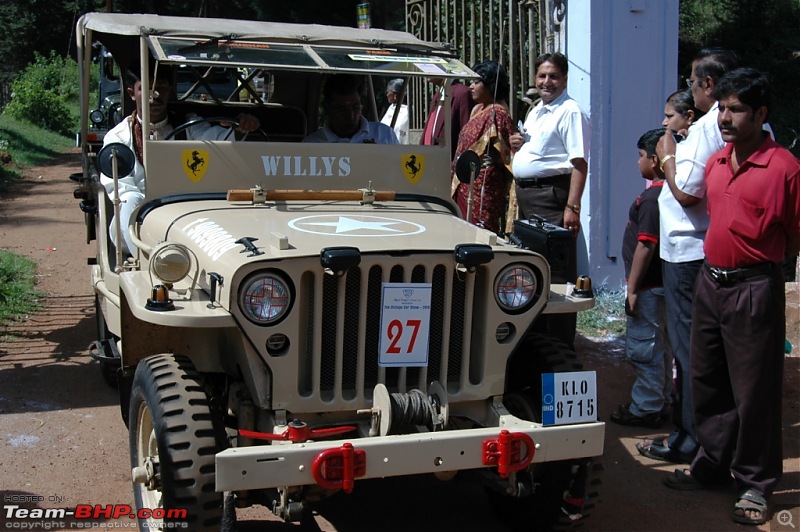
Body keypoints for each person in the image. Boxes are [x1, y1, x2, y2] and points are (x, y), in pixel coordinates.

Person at [661, 67, 800, 527]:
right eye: (721, 107)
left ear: (761, 113)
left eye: (736, 109)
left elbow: (795, 236)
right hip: (710, 283)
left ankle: (756, 483)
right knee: (706, 379)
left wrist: (767, 272)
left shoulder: (784, 168)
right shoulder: (718, 161)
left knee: (754, 391)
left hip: (754, 288)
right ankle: (713, 463)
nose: (724, 116)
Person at [636, 48, 740, 465]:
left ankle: (691, 439)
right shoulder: (725, 125)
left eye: (694, 82)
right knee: (695, 349)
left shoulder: (712, 125)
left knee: (689, 351)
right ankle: (697, 435)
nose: (690, 89)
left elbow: (687, 191)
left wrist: (666, 155)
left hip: (689, 252)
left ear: (708, 86)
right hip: (694, 249)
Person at [101, 66, 260, 256]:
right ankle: (144, 264)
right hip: (136, 221)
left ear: (170, 91)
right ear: (132, 94)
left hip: (184, 212)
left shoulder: (189, 125)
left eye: (161, 87)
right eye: (146, 88)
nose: (155, 95)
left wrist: (240, 128)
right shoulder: (118, 136)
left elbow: (215, 142)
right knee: (129, 199)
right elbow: (121, 189)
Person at [509, 52, 589, 349]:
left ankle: (559, 348)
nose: (547, 82)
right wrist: (521, 145)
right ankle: (536, 342)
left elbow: (579, 163)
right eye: (542, 75)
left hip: (551, 200)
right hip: (529, 199)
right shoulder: (537, 111)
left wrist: (572, 207)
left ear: (565, 79)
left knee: (557, 278)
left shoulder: (570, 111)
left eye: (553, 76)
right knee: (532, 273)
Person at [610, 128, 670, 429]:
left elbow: (646, 244)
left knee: (644, 350)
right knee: (664, 348)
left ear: (656, 161)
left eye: (641, 156)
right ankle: (664, 400)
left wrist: (632, 289)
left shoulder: (651, 198)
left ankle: (646, 407)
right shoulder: (667, 194)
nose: (638, 162)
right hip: (663, 287)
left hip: (647, 287)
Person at [451, 61, 514, 235]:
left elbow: (508, 157)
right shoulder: (478, 109)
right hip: (463, 182)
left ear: (490, 85)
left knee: (479, 234)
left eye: (476, 82)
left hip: (483, 188)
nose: (470, 87)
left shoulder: (499, 114)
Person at [303, 74, 398, 144]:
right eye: (342, 109)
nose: (350, 115)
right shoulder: (312, 144)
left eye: (355, 107)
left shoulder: (384, 135)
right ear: (327, 108)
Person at [421, 77, 474, 158]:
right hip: (430, 158)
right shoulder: (438, 95)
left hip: (448, 161)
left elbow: (466, 131)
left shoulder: (461, 93)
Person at [381, 78, 409, 144]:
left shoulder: (407, 112)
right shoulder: (391, 108)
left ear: (395, 95)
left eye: (388, 92)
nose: (387, 94)